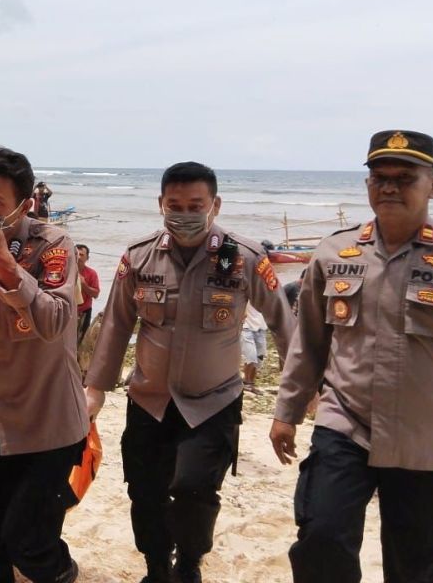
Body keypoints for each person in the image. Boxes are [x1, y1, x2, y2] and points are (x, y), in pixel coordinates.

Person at [271, 130, 433, 583]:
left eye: (404, 178)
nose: (388, 187)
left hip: (429, 441)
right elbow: (308, 342)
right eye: (378, 177)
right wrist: (287, 410)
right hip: (345, 424)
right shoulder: (334, 251)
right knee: (320, 541)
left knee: (416, 565)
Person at [85, 161, 294, 583]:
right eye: (174, 205)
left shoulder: (246, 258)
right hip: (149, 399)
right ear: (160, 204)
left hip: (213, 401)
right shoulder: (139, 256)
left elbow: (284, 324)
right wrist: (95, 389)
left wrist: (296, 394)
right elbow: (116, 325)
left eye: (195, 204)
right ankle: (156, 566)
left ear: (215, 205)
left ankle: (191, 563)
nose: (184, 213)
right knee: (144, 493)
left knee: (194, 490)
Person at [0, 146, 86, 583]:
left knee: (30, 539)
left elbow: (56, 320)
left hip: (50, 419)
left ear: (24, 205)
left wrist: (4, 261)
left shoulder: (54, 245)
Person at [75, 243, 101, 343]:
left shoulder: (91, 273)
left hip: (84, 311)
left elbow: (96, 294)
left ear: (87, 258)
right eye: (76, 254)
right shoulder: (65, 270)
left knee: (81, 341)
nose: (79, 257)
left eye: (82, 255)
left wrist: (83, 284)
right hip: (68, 310)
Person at [240, 307, 267, 395]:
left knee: (259, 357)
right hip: (246, 327)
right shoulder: (246, 294)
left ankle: (250, 383)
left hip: (261, 328)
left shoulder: (267, 294)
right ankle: (247, 383)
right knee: (250, 356)